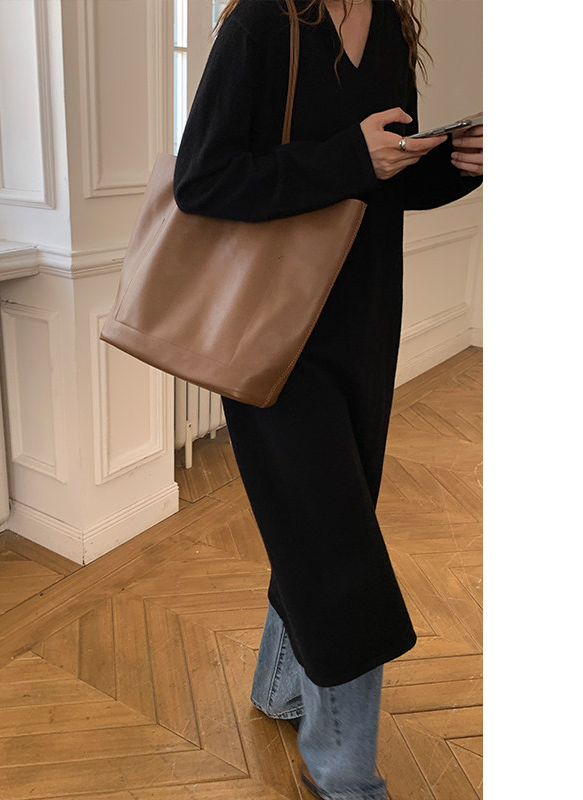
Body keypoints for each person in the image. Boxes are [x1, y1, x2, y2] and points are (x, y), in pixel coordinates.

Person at [173, 1, 483, 798]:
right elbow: (202, 179)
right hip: (272, 335)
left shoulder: (389, 26)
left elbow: (385, 182)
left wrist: (459, 165)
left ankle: (279, 687)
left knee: (323, 525)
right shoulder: (262, 23)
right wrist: (350, 156)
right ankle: (345, 775)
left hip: (365, 323)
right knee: (340, 551)